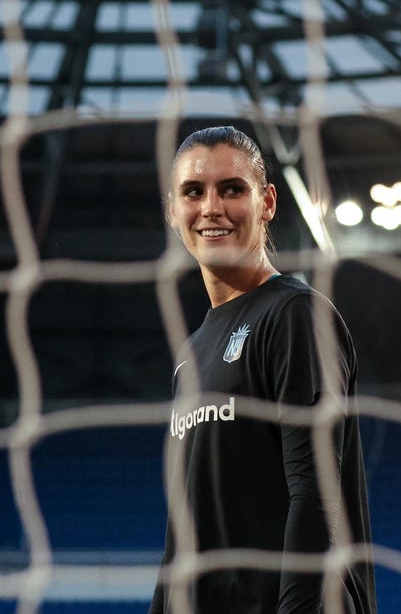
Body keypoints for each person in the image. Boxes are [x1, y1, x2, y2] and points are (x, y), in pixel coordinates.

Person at [150, 125, 376, 614]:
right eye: (194, 192)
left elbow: (316, 493)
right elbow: (183, 529)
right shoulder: (190, 352)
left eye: (232, 189)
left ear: (267, 202)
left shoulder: (295, 315)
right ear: (173, 211)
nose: (212, 207)